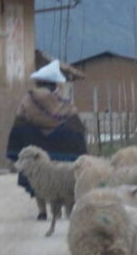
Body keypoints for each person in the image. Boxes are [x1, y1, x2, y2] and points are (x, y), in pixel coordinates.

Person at [6, 59, 87, 220]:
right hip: (64, 149)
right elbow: (76, 126)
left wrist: (16, 149)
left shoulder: (28, 101)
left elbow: (19, 124)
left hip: (37, 147)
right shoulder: (65, 105)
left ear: (38, 83)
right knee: (65, 180)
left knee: (39, 179)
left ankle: (42, 211)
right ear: (55, 84)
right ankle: (66, 210)